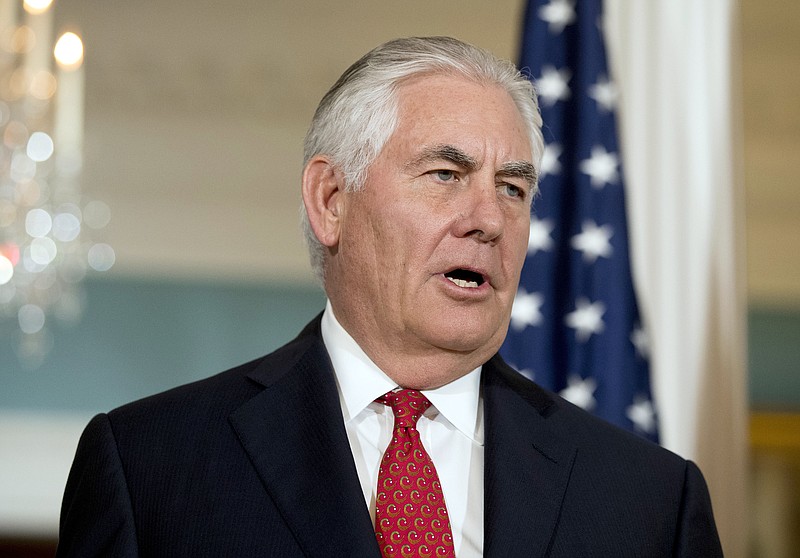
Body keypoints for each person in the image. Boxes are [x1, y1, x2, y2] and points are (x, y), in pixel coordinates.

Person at [57, 36, 722, 557]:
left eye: (514, 189)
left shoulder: (649, 501)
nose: (488, 219)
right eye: (445, 174)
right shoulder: (152, 468)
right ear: (331, 200)